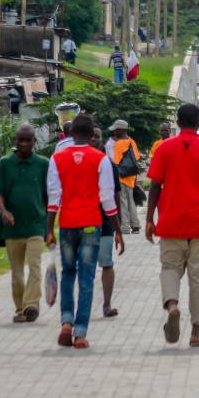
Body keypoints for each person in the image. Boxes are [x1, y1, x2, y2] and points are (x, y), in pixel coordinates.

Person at [146, 104, 199, 348]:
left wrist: (150, 219)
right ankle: (195, 331)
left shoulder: (164, 149)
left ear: (177, 122)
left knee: (170, 269)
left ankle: (172, 305)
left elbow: (154, 187)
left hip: (171, 223)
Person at [46, 115, 125, 349]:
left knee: (68, 274)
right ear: (92, 136)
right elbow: (108, 200)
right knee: (87, 279)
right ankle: (80, 333)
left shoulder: (56, 159)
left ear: (70, 134)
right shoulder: (101, 160)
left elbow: (53, 198)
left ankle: (66, 323)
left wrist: (49, 229)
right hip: (92, 225)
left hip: (67, 224)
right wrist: (118, 230)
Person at [0, 124, 49, 323]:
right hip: (12, 227)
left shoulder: (43, 164)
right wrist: (4, 212)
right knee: (16, 274)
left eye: (28, 140)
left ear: (34, 142)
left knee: (35, 267)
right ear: (15, 141)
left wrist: (50, 226)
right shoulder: (5, 164)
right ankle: (20, 309)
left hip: (36, 225)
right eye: (20, 140)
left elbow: (49, 196)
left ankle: (31, 305)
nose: (24, 144)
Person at [88, 127, 123, 318]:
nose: (94, 139)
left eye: (97, 136)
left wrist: (118, 226)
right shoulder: (80, 162)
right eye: (91, 136)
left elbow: (115, 196)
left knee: (106, 263)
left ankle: (107, 305)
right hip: (83, 222)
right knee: (85, 266)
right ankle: (84, 303)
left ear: (102, 140)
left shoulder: (109, 164)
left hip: (105, 222)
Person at [106, 120, 141, 234]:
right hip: (131, 177)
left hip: (121, 176)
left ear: (121, 130)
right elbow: (137, 157)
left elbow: (115, 162)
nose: (114, 132)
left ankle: (125, 227)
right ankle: (136, 226)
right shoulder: (132, 142)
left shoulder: (118, 144)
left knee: (123, 202)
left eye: (116, 130)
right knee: (131, 201)